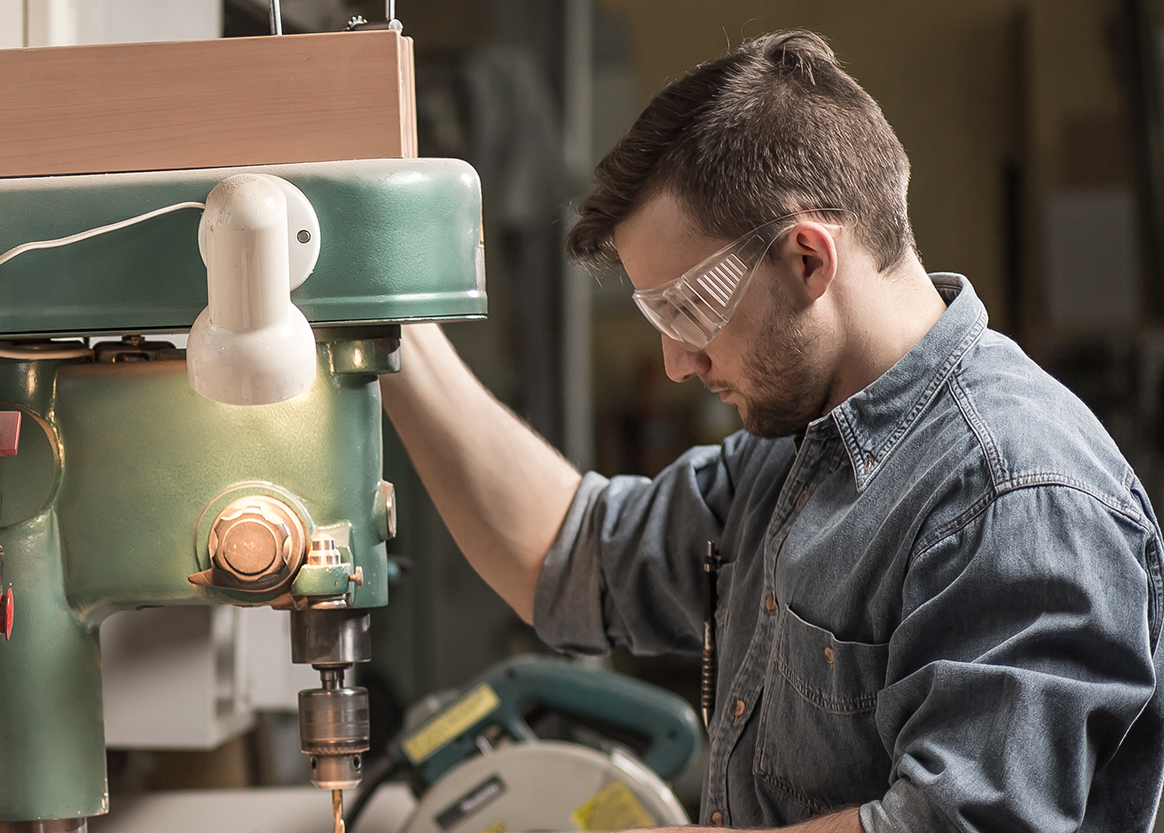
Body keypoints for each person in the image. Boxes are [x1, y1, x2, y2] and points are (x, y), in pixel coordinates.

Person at [381, 28, 1164, 833]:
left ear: (807, 260)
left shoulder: (1013, 494)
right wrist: (385, 329)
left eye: (688, 308)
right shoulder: (796, 450)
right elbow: (576, 556)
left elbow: (954, 825)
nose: (678, 362)